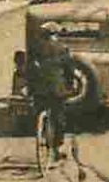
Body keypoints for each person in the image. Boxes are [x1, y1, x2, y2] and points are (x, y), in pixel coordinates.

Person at [26, 25, 75, 158]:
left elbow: (29, 69)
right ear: (55, 35)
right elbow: (69, 70)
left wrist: (30, 87)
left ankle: (41, 133)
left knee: (39, 111)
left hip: (39, 89)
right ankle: (57, 148)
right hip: (56, 89)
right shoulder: (62, 49)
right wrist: (70, 86)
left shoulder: (35, 48)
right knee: (59, 118)